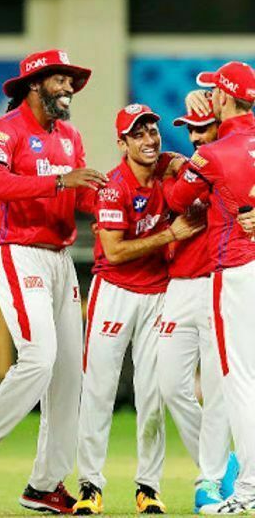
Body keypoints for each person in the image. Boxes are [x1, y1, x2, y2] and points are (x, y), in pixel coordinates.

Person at [0, 49, 108, 513]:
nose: (69, 88)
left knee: (69, 376)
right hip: (16, 250)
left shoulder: (70, 136)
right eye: (60, 79)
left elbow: (82, 197)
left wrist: (122, 202)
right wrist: (60, 182)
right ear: (35, 84)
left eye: (71, 80)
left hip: (60, 256)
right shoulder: (5, 130)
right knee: (38, 358)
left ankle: (44, 485)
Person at [74, 105, 204, 515]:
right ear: (122, 144)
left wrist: (181, 162)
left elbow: (184, 164)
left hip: (158, 294)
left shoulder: (168, 166)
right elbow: (113, 252)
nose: (149, 140)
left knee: (152, 394)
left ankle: (148, 486)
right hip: (114, 291)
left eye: (152, 131)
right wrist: (170, 234)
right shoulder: (114, 189)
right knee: (99, 390)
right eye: (138, 134)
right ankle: (90, 485)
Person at [163, 60, 255, 515]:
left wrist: (191, 157)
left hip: (234, 271)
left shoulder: (214, 154)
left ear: (222, 98)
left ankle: (246, 490)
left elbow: (176, 198)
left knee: (239, 383)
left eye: (213, 91)